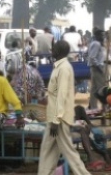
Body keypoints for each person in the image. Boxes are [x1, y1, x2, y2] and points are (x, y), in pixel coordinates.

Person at [37, 40, 91, 175]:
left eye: (54, 48)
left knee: (69, 153)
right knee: (47, 152)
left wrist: (56, 120)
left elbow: (62, 95)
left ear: (59, 51)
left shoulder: (64, 68)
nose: (51, 50)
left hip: (58, 119)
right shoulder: (59, 67)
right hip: (54, 117)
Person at [73, 105, 111, 172]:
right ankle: (92, 159)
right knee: (85, 131)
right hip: (64, 124)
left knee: (94, 132)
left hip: (72, 121)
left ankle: (107, 160)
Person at [87, 29, 107, 109]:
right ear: (97, 36)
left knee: (94, 88)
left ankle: (93, 106)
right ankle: (104, 106)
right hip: (97, 68)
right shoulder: (96, 44)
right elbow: (92, 57)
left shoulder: (100, 44)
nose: (103, 37)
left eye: (103, 35)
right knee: (101, 88)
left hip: (98, 68)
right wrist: (99, 66)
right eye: (101, 35)